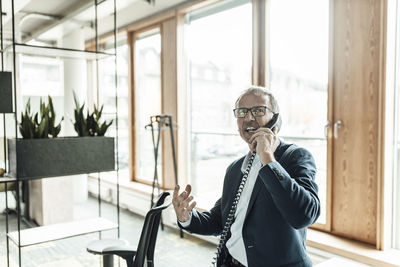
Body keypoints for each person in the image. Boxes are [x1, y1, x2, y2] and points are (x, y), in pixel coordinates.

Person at [173, 86, 320, 267]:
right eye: (242, 112)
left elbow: (303, 215)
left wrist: (268, 157)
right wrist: (186, 217)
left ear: (275, 119)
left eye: (258, 110)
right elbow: (220, 220)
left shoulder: (296, 157)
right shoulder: (235, 169)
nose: (249, 118)